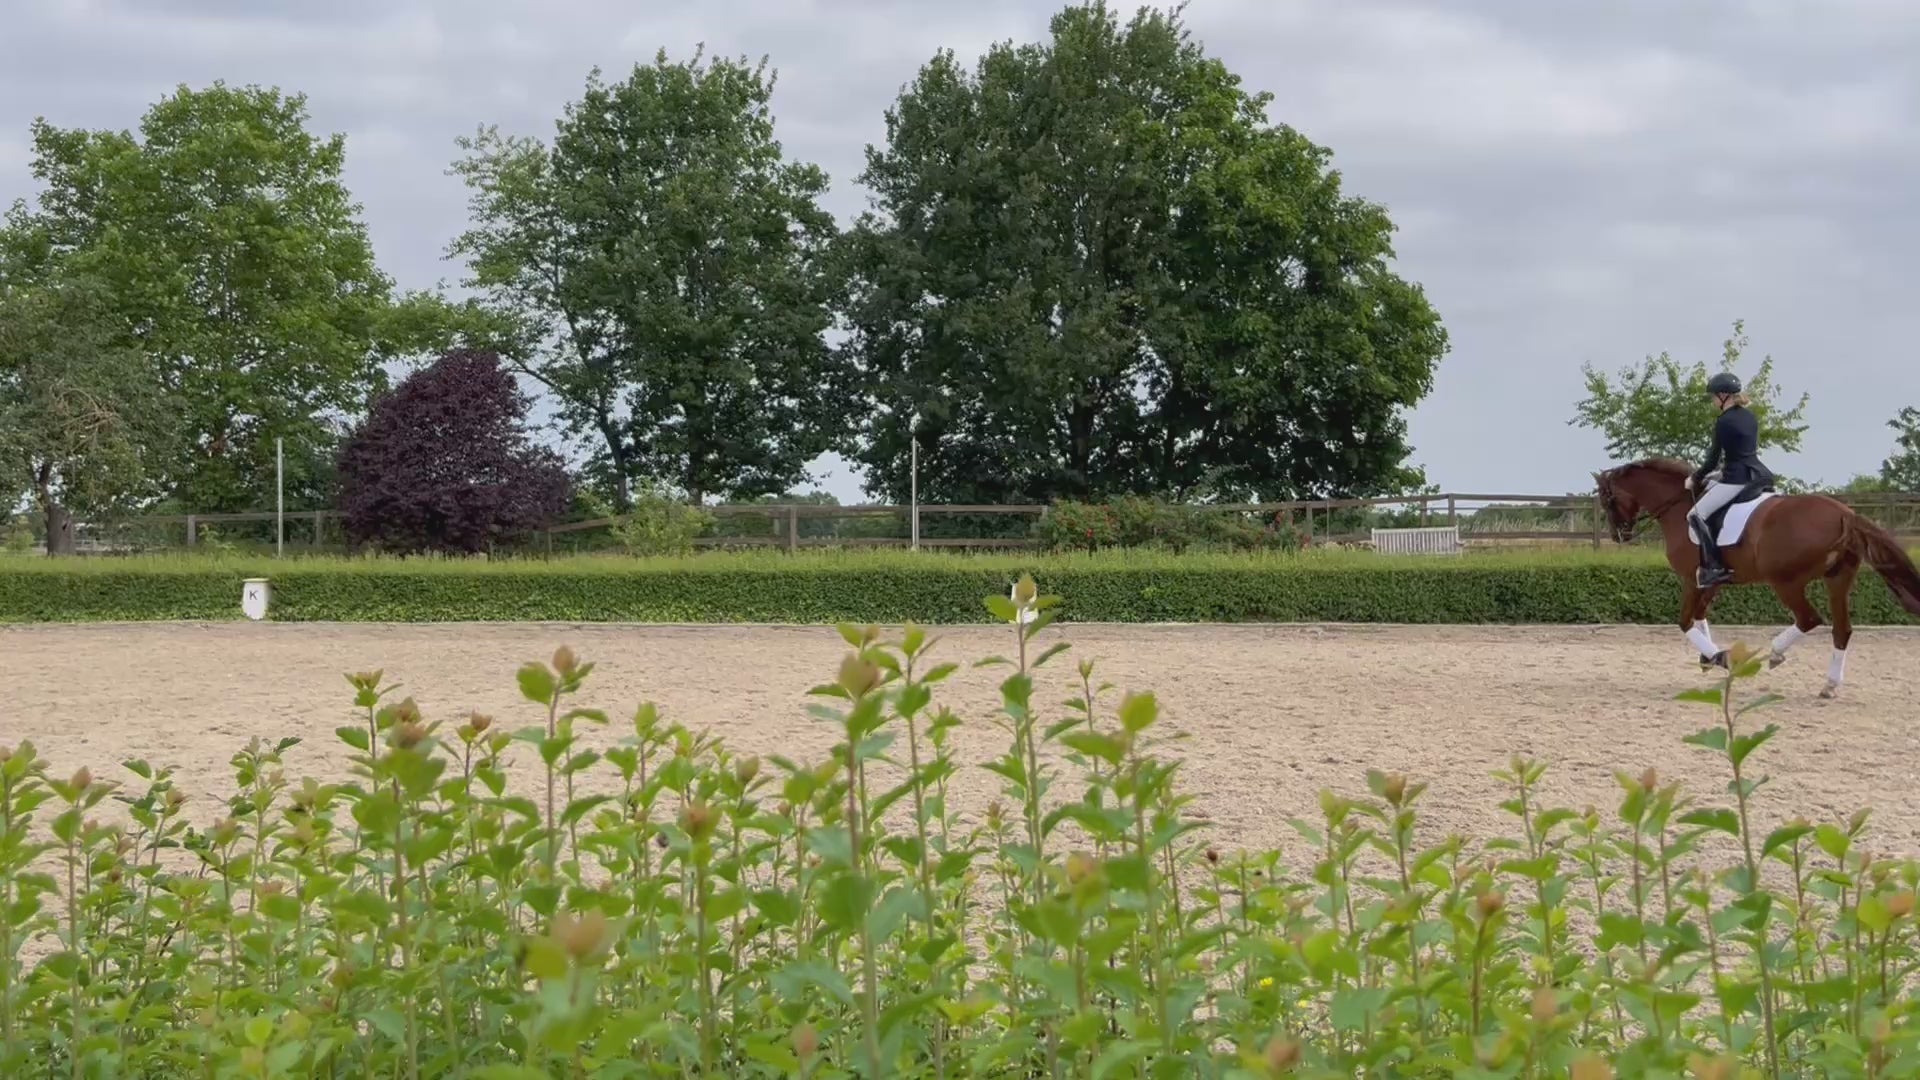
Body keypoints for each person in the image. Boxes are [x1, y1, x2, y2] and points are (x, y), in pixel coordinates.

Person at [1688, 372, 1775, 586]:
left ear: (1724, 395)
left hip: (1737, 479)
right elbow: (1743, 452)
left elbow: (1712, 459)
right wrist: (1719, 472)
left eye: (1714, 396)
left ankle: (1713, 568)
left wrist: (1695, 477)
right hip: (1760, 474)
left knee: (1696, 515)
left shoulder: (1724, 422)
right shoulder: (1750, 417)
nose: (1713, 400)